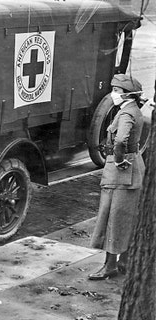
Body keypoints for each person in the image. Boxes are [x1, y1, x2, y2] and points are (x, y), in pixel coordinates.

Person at [88, 74, 145, 280]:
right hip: (132, 171)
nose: (113, 94)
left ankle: (110, 265)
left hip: (121, 172)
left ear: (128, 94)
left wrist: (119, 160)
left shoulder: (126, 114)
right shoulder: (133, 110)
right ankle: (125, 260)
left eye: (116, 91)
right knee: (126, 217)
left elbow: (120, 140)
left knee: (113, 217)